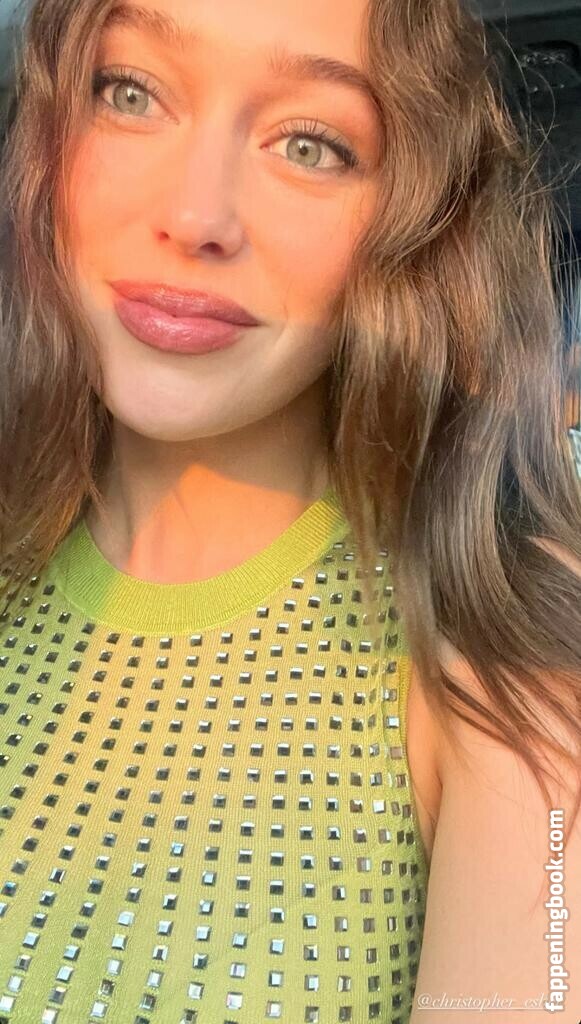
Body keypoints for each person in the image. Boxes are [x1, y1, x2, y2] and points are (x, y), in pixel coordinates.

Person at [0, 0, 580, 1022]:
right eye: (130, 93)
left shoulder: (502, 657)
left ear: (414, 220)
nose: (197, 215)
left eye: (309, 144)